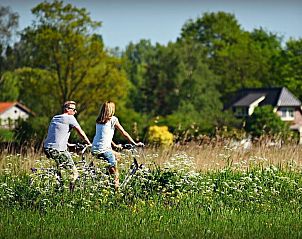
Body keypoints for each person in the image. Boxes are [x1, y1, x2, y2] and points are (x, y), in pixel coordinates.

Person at [92, 101, 144, 189]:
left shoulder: (98, 120)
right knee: (116, 173)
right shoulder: (113, 119)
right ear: (111, 110)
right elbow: (123, 133)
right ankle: (116, 192)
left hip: (95, 149)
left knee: (118, 156)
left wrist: (115, 145)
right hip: (104, 150)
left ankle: (107, 177)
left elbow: (104, 136)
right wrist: (135, 143)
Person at [44, 101, 91, 192]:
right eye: (73, 109)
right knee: (74, 173)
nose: (75, 112)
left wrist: (68, 144)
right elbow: (80, 132)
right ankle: (71, 195)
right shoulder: (70, 118)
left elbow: (57, 133)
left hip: (47, 148)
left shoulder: (55, 118)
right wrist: (88, 143)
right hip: (58, 150)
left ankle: (59, 189)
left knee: (60, 170)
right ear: (67, 109)